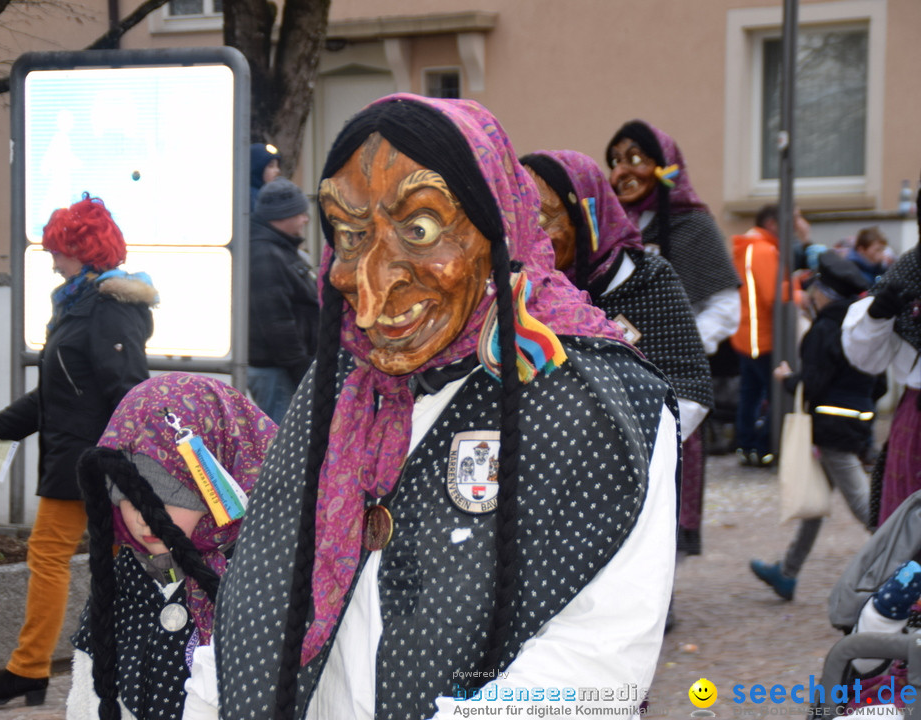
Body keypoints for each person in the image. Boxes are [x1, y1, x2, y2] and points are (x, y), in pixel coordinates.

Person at [197, 95, 679, 720]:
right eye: (350, 234)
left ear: (496, 225)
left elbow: (601, 656)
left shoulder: (597, 401)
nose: (367, 299)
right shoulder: (338, 382)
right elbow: (259, 586)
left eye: (419, 229)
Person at [0, 193, 157, 707]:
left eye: (58, 249)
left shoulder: (105, 311)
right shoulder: (79, 307)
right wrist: (0, 427)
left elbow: (127, 389)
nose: (51, 259)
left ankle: (31, 669)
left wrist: (128, 466)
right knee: (108, 559)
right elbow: (60, 388)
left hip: (90, 462)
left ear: (83, 250)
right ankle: (104, 661)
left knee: (56, 555)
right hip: (79, 458)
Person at [520, 149, 712, 557]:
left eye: (546, 218)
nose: (532, 236)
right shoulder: (522, 291)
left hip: (629, 473)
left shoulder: (648, 280)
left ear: (586, 217)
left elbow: (690, 387)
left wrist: (616, 446)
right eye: (522, 218)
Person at [66, 372, 276, 719]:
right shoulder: (122, 577)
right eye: (131, 499)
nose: (146, 519)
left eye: (172, 498)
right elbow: (87, 685)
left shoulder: (254, 581)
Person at [605, 120, 739, 553]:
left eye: (636, 159)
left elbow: (725, 308)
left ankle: (665, 590)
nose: (622, 171)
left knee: (667, 482)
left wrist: (674, 346)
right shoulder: (608, 232)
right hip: (616, 380)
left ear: (665, 167)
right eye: (615, 161)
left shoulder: (692, 226)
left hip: (670, 385)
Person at [750, 251, 875, 600]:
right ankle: (787, 572)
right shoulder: (859, 325)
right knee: (815, 502)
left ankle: (907, 558)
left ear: (825, 293)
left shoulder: (824, 328)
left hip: (832, 426)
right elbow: (878, 383)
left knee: (864, 506)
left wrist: (788, 379)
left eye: (815, 288)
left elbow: (816, 383)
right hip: (855, 421)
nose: (811, 294)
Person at [842, 192, 921, 527]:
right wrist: (878, 315)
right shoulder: (910, 269)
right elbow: (866, 359)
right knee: (908, 544)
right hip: (917, 424)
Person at [247, 176, 319, 424]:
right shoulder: (266, 254)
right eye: (300, 213)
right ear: (282, 215)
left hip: (280, 368)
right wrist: (302, 369)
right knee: (281, 444)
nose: (305, 219)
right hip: (276, 371)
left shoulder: (276, 248)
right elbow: (277, 323)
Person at [728, 204, 785, 467]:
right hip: (761, 336)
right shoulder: (762, 250)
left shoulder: (748, 246)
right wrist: (797, 293)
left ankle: (746, 445)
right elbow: (775, 296)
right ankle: (762, 448)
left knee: (750, 395)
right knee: (776, 393)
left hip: (747, 333)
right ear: (773, 222)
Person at [250, 143, 282, 210]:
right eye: (271, 166)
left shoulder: (267, 195)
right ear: (257, 169)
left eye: (277, 166)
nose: (277, 170)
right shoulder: (251, 198)